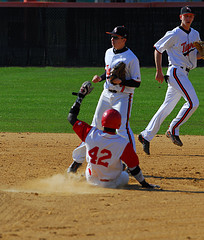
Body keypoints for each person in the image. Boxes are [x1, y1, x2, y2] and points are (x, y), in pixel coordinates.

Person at [68, 26, 141, 172]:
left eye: (116, 37)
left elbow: (137, 82)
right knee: (95, 127)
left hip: (123, 96)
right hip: (106, 94)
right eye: (112, 37)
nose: (112, 39)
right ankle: (78, 160)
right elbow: (109, 72)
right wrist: (100, 78)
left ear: (124, 40)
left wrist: (122, 82)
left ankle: (132, 165)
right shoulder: (108, 52)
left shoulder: (131, 58)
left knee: (123, 128)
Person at [67, 81, 159, 189]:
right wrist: (145, 184)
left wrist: (80, 97)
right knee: (124, 174)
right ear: (119, 124)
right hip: (110, 183)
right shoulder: (122, 143)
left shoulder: (90, 133)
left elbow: (71, 118)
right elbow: (134, 168)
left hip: (91, 178)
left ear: (102, 122)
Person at [138, 6, 202, 155]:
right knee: (193, 103)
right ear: (180, 17)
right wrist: (159, 71)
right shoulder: (174, 33)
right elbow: (158, 49)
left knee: (166, 107)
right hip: (175, 72)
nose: (188, 18)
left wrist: (201, 54)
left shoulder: (195, 34)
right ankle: (173, 129)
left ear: (193, 18)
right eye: (185, 15)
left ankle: (145, 136)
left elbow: (195, 55)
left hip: (184, 73)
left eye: (190, 15)